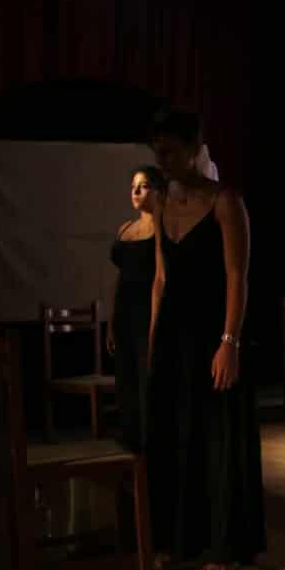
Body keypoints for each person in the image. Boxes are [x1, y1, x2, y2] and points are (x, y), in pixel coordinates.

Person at [147, 107, 265, 570]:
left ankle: (222, 545)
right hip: (174, 334)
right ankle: (180, 541)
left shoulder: (224, 201)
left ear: (194, 150)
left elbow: (238, 275)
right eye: (157, 153)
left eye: (171, 152)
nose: (163, 161)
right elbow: (160, 278)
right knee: (177, 435)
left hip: (213, 332)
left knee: (218, 437)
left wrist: (229, 341)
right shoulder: (161, 203)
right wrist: (153, 341)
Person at [107, 165, 166, 453]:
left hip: (147, 312)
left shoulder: (161, 228)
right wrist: (111, 320)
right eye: (133, 186)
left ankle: (149, 443)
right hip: (124, 313)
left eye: (143, 186)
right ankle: (130, 441)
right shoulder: (124, 230)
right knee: (125, 377)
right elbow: (118, 278)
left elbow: (160, 278)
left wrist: (154, 323)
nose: (135, 191)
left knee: (147, 378)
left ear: (157, 191)